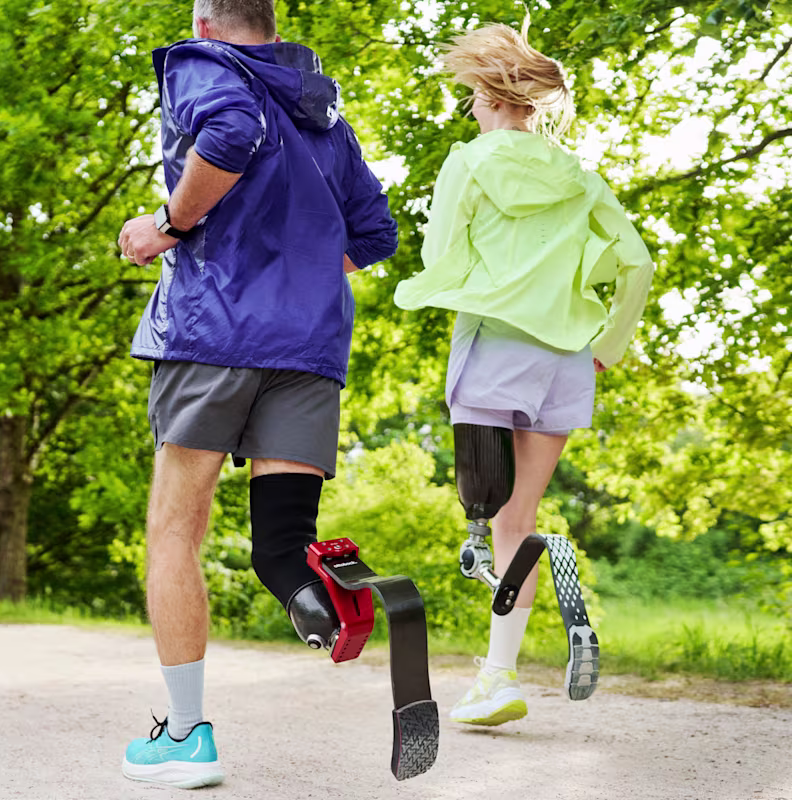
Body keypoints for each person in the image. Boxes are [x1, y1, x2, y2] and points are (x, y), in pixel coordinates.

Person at [117, 0, 397, 787]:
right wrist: (297, 280)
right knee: (280, 547)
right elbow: (374, 233)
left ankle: (184, 738)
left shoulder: (203, 65)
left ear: (206, 24)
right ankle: (328, 593)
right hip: (307, 348)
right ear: (271, 25)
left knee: (175, 530)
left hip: (214, 334)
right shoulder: (323, 114)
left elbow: (230, 135)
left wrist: (169, 223)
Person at [394, 17, 654, 726]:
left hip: (494, 350)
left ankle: (500, 678)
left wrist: (430, 289)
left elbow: (440, 258)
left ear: (491, 94)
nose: (471, 108)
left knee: (483, 519)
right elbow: (638, 263)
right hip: (567, 361)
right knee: (522, 520)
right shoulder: (581, 177)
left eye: (474, 96)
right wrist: (610, 342)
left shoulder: (470, 162)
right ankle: (499, 673)